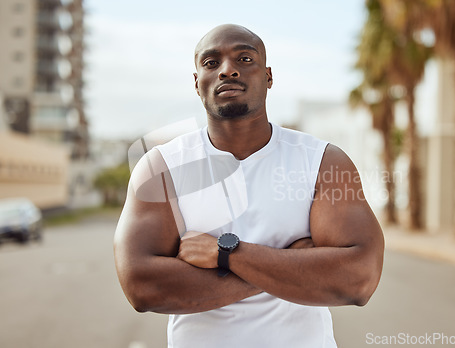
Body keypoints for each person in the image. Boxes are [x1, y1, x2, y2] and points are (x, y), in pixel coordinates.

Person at [114, 24, 384, 347]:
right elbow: (143, 287)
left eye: (244, 59)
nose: (228, 70)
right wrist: (288, 262)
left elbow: (359, 279)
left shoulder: (322, 162)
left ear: (268, 77)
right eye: (212, 63)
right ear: (197, 83)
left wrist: (226, 254)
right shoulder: (161, 168)